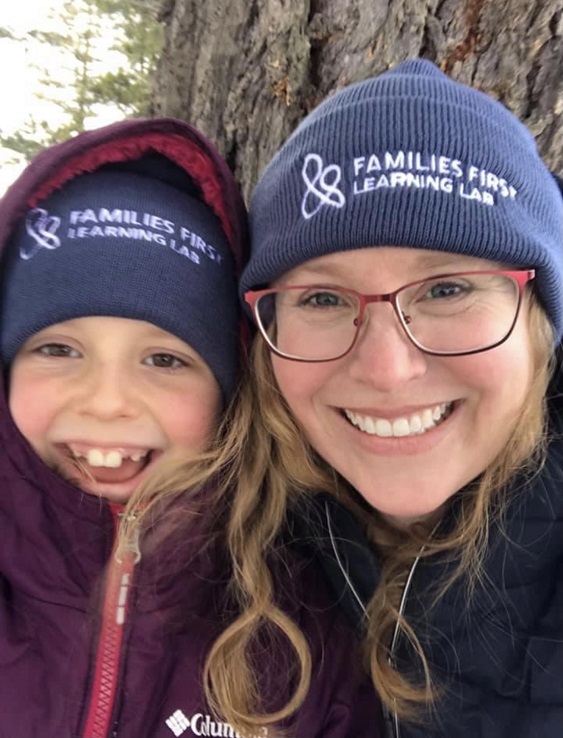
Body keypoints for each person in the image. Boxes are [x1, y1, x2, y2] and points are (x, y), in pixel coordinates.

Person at [0, 119, 382, 737]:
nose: (106, 402)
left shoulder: (299, 638)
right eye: (59, 350)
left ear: (228, 394)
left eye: (165, 359)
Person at [236, 58, 563, 737]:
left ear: (539, 323)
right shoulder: (210, 545)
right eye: (322, 298)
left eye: (445, 289)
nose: (387, 370)